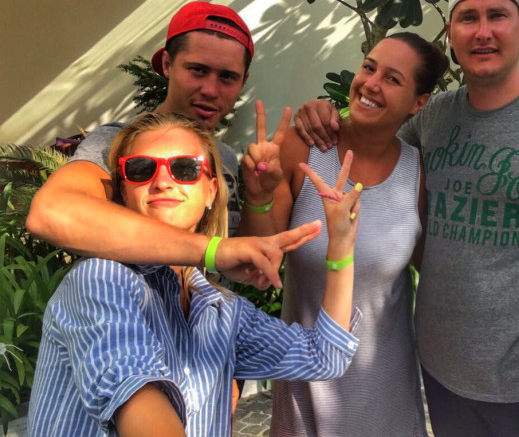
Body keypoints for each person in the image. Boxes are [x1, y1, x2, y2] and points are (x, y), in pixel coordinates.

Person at [294, 0, 519, 437]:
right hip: (438, 371)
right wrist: (324, 114)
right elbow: (372, 143)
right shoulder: (432, 117)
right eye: (468, 18)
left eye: (497, 15)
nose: (483, 31)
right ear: (451, 33)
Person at [28, 112, 363, 437]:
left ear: (211, 191)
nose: (162, 181)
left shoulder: (219, 310)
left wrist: (341, 245)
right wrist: (217, 250)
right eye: (141, 169)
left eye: (184, 169)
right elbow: (136, 398)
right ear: (124, 190)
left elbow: (325, 356)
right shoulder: (101, 281)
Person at [258, 32, 449, 437]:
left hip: (386, 388)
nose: (371, 84)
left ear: (418, 103)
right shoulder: (304, 149)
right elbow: (258, 263)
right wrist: (258, 195)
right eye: (369, 68)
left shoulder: (416, 172)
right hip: (308, 383)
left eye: (392, 79)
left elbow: (435, 270)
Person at [27, 1, 288, 289]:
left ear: (243, 80)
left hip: (204, 315)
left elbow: (244, 267)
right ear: (167, 64)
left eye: (227, 77)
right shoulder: (115, 142)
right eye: (197, 70)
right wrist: (209, 251)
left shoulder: (223, 157)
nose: (211, 90)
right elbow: (51, 211)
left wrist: (259, 198)